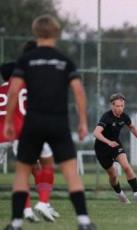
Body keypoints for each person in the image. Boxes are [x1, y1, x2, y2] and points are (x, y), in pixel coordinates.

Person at [3, 15, 95, 230]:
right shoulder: (64, 60)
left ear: (36, 33)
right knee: (71, 172)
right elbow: (79, 91)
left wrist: (8, 121)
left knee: (22, 173)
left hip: (32, 123)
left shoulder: (26, 61)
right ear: (56, 33)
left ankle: (16, 223)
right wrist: (83, 122)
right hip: (58, 123)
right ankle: (83, 221)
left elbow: (14, 91)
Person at [0, 42, 59, 223]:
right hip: (22, 132)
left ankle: (28, 209)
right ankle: (40, 203)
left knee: (31, 170)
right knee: (38, 168)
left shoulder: (5, 88)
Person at [93, 93, 137, 204]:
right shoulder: (106, 117)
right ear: (112, 106)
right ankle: (120, 194)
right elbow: (96, 133)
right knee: (113, 175)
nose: (120, 108)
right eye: (117, 106)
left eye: (122, 106)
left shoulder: (124, 116)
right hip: (102, 148)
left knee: (126, 167)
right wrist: (108, 142)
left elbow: (132, 128)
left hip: (116, 145)